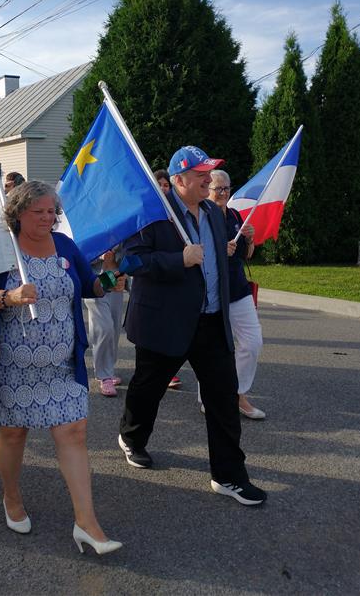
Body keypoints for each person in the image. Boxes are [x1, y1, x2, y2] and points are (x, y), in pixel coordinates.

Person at [0, 181, 122, 554]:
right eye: (40, 212)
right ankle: (11, 497)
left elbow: (87, 285)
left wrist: (110, 278)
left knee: (74, 432)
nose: (49, 218)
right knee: (14, 434)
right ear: (17, 214)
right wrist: (7, 296)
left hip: (62, 365)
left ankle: (87, 523)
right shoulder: (2, 249)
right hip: (13, 367)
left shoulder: (63, 245)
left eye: (52, 212)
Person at [118, 145, 267, 506]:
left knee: (222, 398)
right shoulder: (152, 214)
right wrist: (177, 259)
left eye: (209, 173)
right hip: (165, 322)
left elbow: (216, 263)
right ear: (178, 179)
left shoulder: (214, 215)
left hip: (211, 321)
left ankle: (229, 476)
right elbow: (130, 261)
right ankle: (132, 438)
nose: (208, 179)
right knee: (148, 388)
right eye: (200, 174)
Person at [208, 169, 265, 419]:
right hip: (212, 291)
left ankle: (238, 393)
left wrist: (250, 241)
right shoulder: (201, 216)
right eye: (218, 189)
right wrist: (220, 250)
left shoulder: (234, 215)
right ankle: (208, 396)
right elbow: (196, 253)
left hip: (238, 288)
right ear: (207, 190)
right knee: (213, 348)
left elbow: (246, 255)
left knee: (252, 342)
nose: (223, 193)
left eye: (226, 188)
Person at [84, 247, 126, 397]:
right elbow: (81, 251)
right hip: (96, 279)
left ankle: (109, 368)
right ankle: (104, 376)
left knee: (114, 328)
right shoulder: (89, 226)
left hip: (117, 278)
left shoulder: (118, 226)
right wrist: (99, 256)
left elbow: (129, 250)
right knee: (104, 328)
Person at [153, 169, 181, 389]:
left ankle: (170, 371)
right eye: (159, 184)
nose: (163, 188)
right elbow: (137, 258)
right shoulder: (148, 213)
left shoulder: (180, 214)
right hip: (151, 287)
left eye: (166, 185)